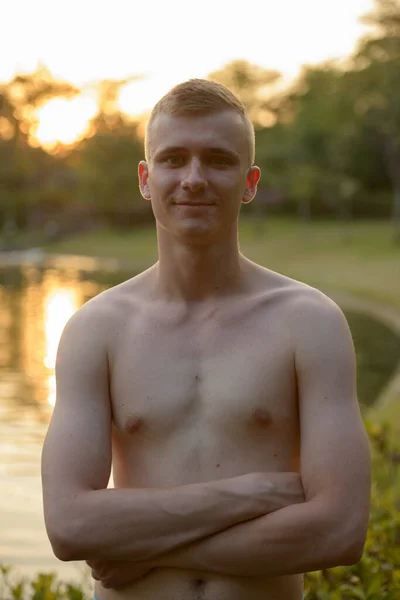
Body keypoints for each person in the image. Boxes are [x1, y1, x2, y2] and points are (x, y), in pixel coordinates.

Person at [41, 79, 371, 600]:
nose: (194, 179)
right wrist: (251, 493)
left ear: (250, 181)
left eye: (218, 160)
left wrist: (140, 547)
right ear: (146, 179)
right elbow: (68, 524)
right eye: (173, 160)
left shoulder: (309, 323)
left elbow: (341, 529)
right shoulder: (96, 329)